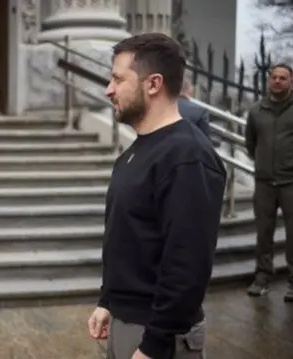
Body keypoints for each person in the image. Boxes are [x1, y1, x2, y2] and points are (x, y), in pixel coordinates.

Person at [87, 33, 227, 359]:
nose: (109, 89)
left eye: (118, 79)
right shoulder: (136, 151)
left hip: (158, 336)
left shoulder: (187, 156)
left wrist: (154, 344)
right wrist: (108, 302)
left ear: (153, 84)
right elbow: (131, 238)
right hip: (127, 323)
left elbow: (186, 263)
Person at [244, 63, 293, 302]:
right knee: (263, 234)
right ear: (269, 81)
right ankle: (262, 278)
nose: (277, 81)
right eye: (274, 77)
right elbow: (251, 143)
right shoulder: (257, 110)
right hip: (265, 183)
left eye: (283, 78)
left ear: (291, 81)